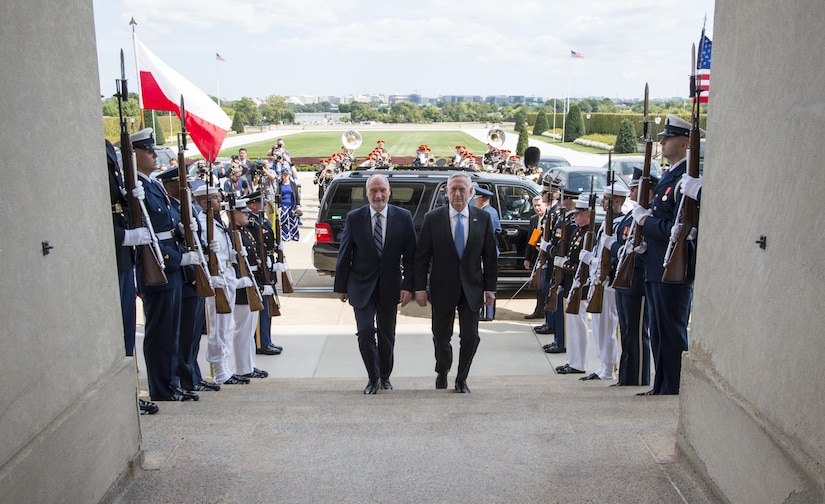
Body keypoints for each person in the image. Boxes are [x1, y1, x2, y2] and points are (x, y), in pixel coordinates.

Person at [632, 114, 701, 396]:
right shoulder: (670, 177)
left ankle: (673, 387)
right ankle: (661, 385)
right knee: (659, 331)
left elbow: (678, 227)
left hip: (674, 265)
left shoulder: (687, 179)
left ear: (686, 144)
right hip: (658, 264)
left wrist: (644, 222)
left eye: (668, 138)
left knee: (671, 331)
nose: (662, 142)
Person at [129, 128, 198, 402]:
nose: (154, 155)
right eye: (148, 150)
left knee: (173, 331)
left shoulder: (153, 184)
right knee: (161, 331)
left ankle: (170, 383)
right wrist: (177, 257)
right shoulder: (136, 186)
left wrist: (182, 230)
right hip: (159, 265)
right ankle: (162, 387)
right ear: (134, 154)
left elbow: (166, 222)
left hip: (170, 263)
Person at [414, 171, 497, 393]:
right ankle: (442, 370)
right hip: (442, 288)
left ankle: (462, 379)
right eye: (453, 189)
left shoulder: (483, 218)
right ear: (447, 193)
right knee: (441, 337)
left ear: (471, 193)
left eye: (462, 189)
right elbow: (421, 257)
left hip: (472, 288)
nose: (458, 194)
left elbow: (490, 257)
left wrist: (490, 289)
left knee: (471, 337)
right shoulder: (433, 219)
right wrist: (420, 288)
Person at [335, 174, 417, 394]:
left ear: (389, 192)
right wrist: (341, 287)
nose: (378, 195)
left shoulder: (403, 217)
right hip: (360, 285)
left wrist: (408, 286)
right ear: (366, 192)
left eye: (382, 190)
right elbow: (345, 254)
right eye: (373, 190)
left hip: (390, 286)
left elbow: (411, 257)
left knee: (387, 334)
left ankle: (385, 375)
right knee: (364, 331)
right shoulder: (355, 218)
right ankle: (373, 377)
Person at [155, 167, 221, 394]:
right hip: (183, 275)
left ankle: (193, 375)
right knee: (184, 334)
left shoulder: (186, 208)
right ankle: (186, 378)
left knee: (193, 333)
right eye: (183, 184)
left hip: (194, 274)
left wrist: (206, 248)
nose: (188, 188)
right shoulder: (171, 207)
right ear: (171, 185)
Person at [106, 139, 159, 415]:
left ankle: (129, 395)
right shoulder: (98, 150)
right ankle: (126, 397)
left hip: (123, 259)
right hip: (116, 254)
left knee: (128, 332)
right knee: (122, 334)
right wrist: (123, 236)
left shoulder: (105, 148)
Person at [193, 184, 249, 386]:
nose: (219, 201)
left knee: (227, 325)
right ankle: (219, 370)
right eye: (215, 198)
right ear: (203, 202)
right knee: (218, 326)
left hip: (226, 274)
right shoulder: (201, 222)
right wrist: (210, 274)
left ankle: (225, 367)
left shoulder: (217, 222)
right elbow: (200, 252)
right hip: (217, 278)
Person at [612, 168, 658, 387]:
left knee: (638, 334)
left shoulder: (647, 215)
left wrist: (620, 250)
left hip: (637, 283)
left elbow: (644, 252)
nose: (630, 190)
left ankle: (638, 378)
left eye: (635, 187)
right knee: (627, 333)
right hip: (624, 281)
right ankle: (626, 378)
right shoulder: (633, 214)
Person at [577, 184, 629, 382]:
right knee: (599, 326)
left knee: (607, 326)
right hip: (598, 279)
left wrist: (592, 260)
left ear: (617, 201)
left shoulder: (621, 223)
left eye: (606, 198)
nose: (602, 201)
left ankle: (608, 368)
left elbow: (616, 256)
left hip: (608, 282)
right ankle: (602, 366)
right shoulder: (609, 223)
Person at [227, 198, 269, 381]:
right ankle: (243, 368)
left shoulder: (244, 232)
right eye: (242, 212)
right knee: (243, 329)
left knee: (250, 329)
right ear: (232, 214)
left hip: (252, 282)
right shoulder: (230, 234)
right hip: (242, 286)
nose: (246, 214)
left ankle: (249, 365)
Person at [556, 193, 593, 375]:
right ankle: (572, 360)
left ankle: (579, 363)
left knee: (579, 325)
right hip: (571, 282)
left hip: (581, 285)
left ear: (589, 214)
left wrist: (566, 265)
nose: (575, 216)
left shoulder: (589, 234)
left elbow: (582, 263)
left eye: (579, 213)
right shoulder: (578, 231)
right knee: (571, 324)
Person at [245, 190, 284, 356]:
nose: (263, 205)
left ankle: (266, 339)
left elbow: (269, 240)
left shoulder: (262, 220)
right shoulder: (251, 222)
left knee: (268, 306)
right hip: (261, 270)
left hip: (268, 266)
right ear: (253, 205)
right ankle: (261, 342)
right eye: (260, 202)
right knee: (262, 307)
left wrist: (277, 249)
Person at [474, 187, 501, 321]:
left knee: (487, 281)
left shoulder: (487, 213)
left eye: (477, 199)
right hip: (488, 250)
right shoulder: (491, 212)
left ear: (481, 199)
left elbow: (488, 234)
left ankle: (487, 313)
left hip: (487, 251)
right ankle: (487, 312)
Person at [524, 194, 547, 319]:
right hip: (537, 254)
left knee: (544, 284)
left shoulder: (549, 218)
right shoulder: (534, 219)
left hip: (546, 256)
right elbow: (531, 240)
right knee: (538, 284)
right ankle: (539, 310)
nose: (537, 208)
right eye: (535, 206)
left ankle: (543, 310)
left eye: (539, 205)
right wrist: (527, 258)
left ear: (545, 205)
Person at [277, 169, 301, 241]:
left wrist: (298, 205)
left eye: (287, 175)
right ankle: (285, 236)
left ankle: (295, 235)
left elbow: (297, 195)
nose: (286, 176)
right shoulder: (279, 184)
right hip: (283, 205)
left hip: (292, 204)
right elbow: (277, 196)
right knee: (284, 221)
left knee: (293, 220)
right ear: (282, 176)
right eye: (284, 175)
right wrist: (279, 206)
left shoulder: (292, 184)